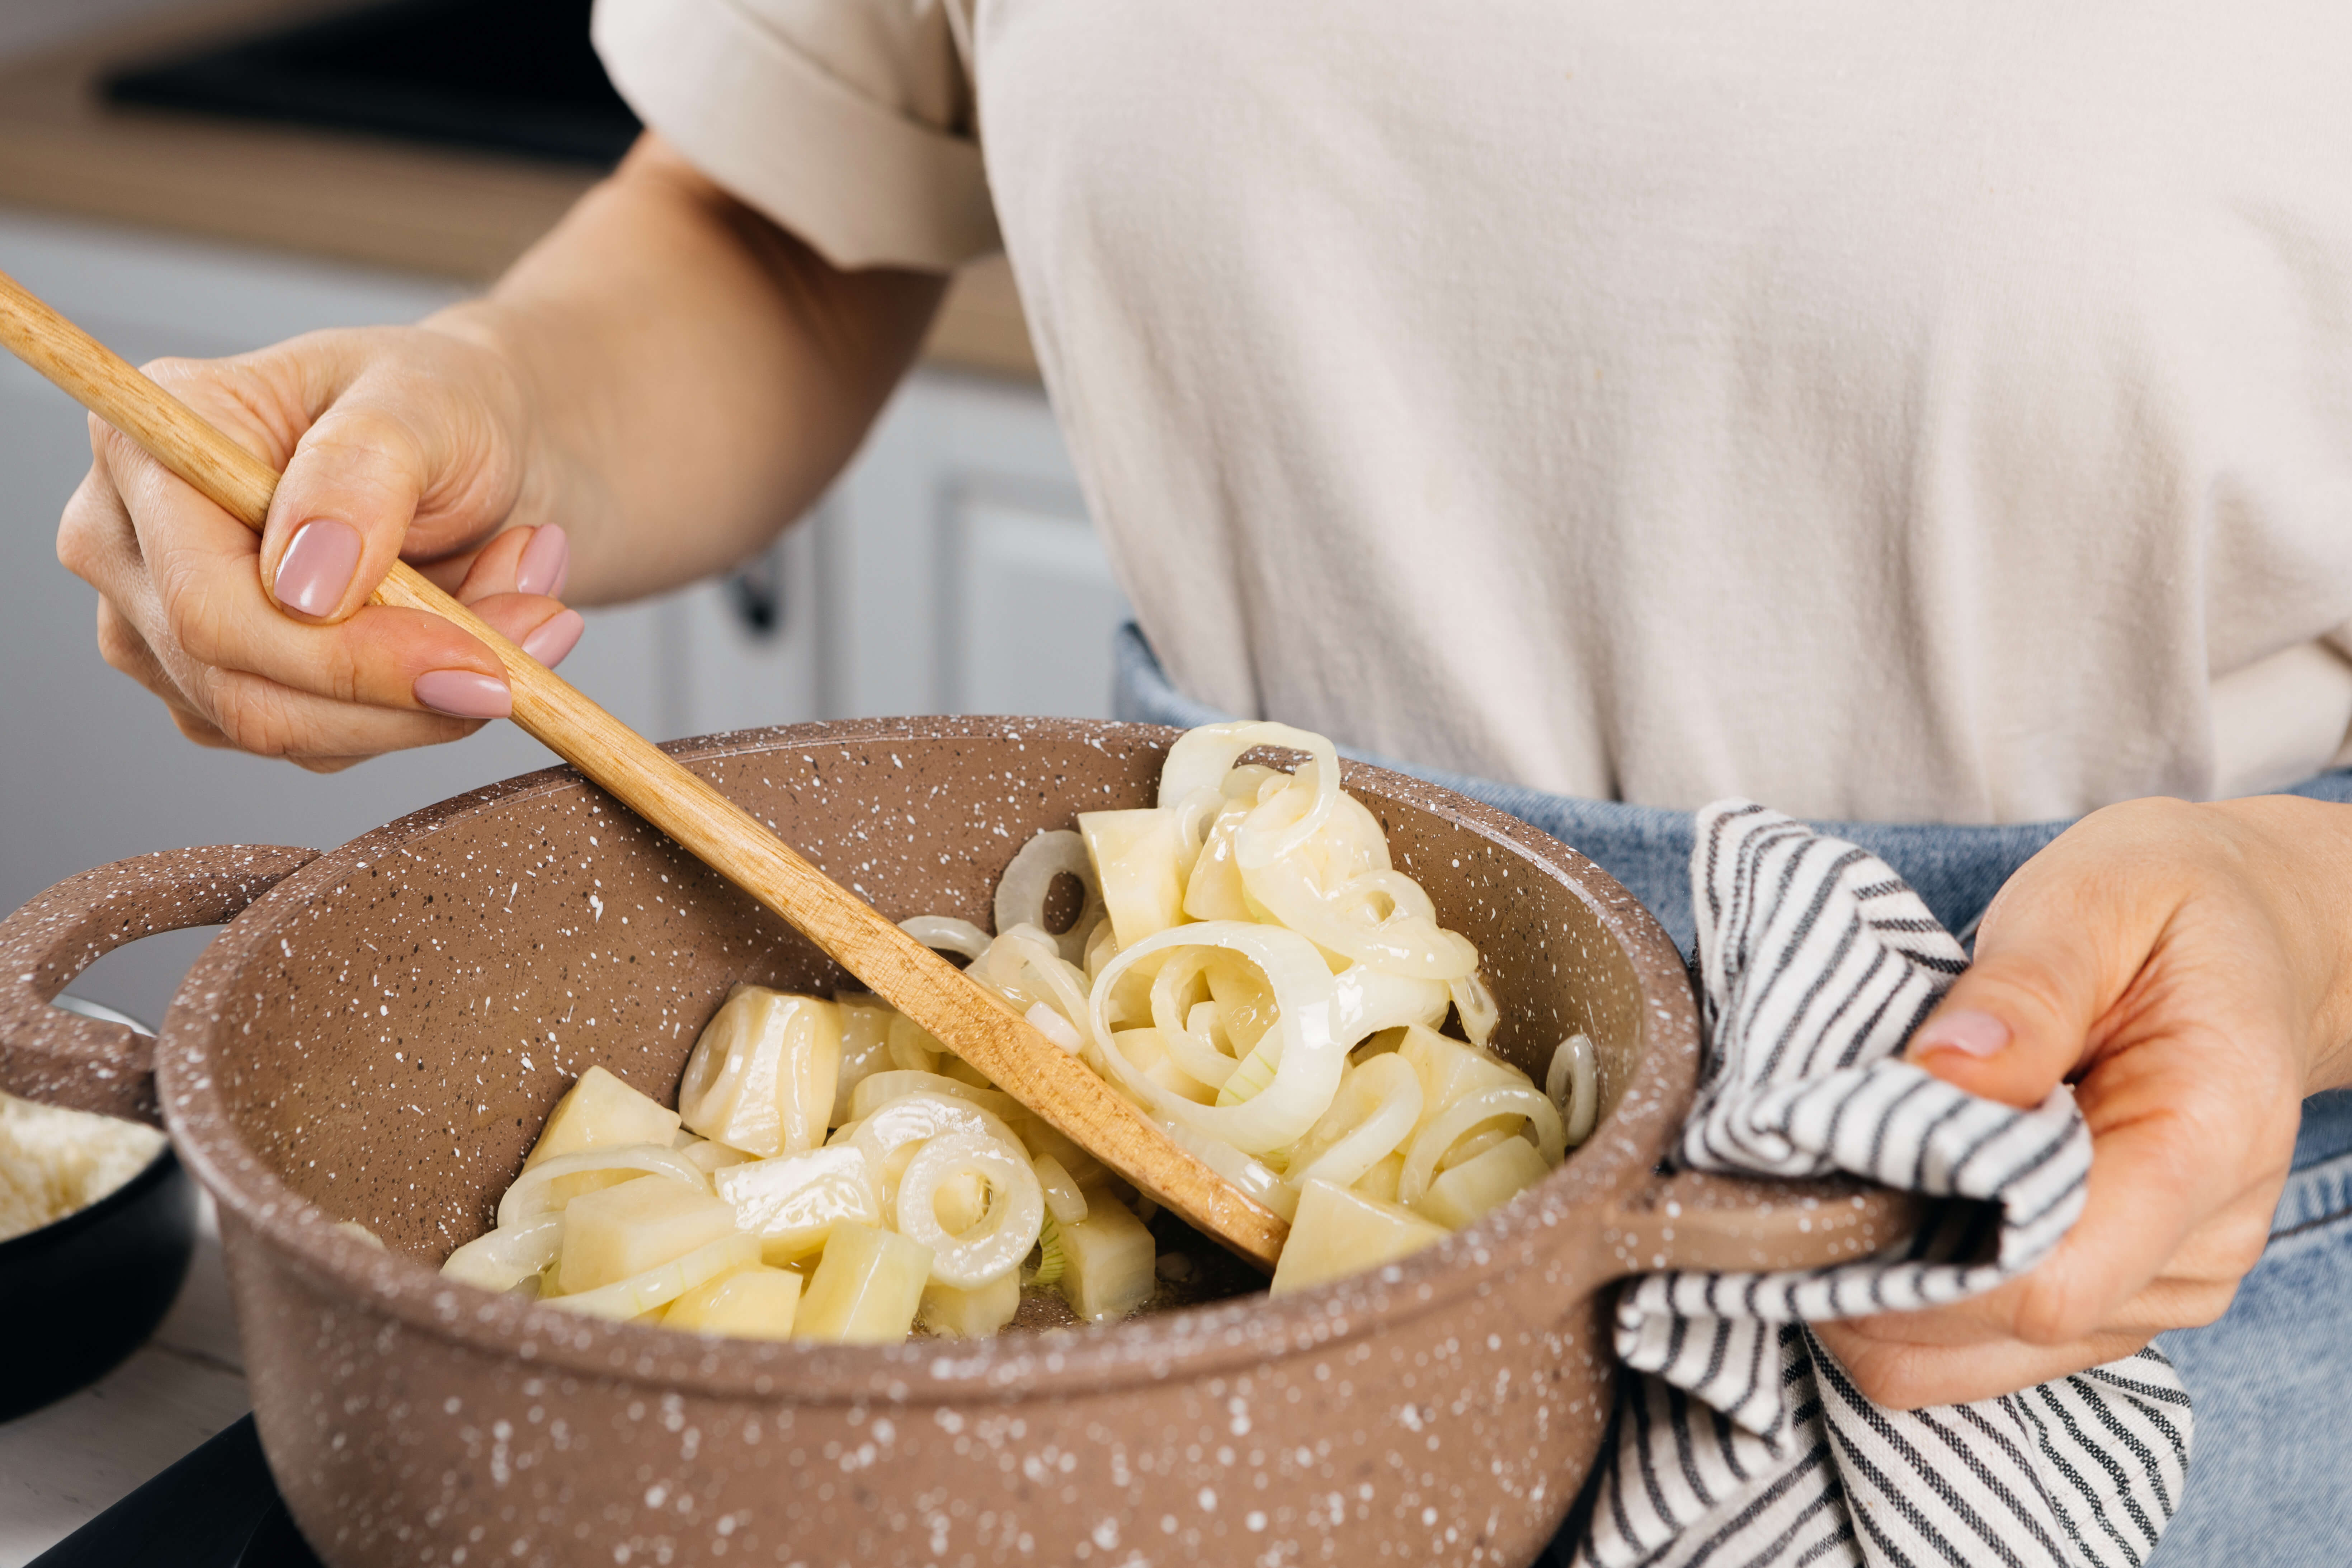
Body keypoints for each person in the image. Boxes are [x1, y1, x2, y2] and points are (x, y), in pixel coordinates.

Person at [53, 3, 2352, 1558]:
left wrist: (2301, 919)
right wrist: (487, 402)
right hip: (1179, 1223)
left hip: (2110, 1255)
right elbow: (782, 201)